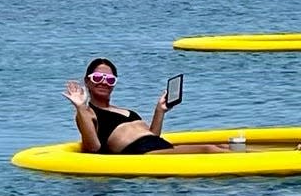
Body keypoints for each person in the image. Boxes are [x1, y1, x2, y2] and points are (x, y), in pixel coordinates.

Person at [62, 57, 230, 154]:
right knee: (208, 149)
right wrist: (80, 107)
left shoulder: (125, 111)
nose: (104, 83)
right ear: (87, 81)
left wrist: (159, 111)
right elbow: (92, 148)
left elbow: (151, 136)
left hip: (158, 146)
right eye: (98, 78)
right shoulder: (88, 113)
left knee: (223, 146)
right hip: (141, 153)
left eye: (110, 79)